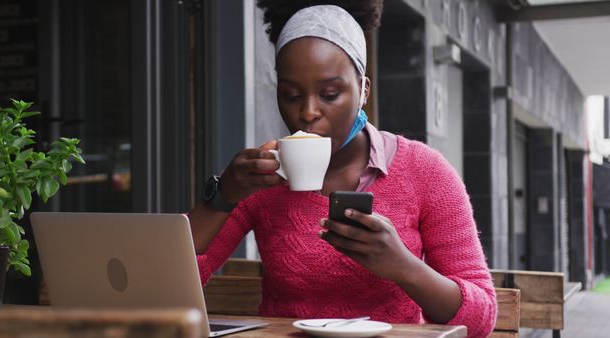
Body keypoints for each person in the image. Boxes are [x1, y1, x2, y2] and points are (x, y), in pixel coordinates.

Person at [188, 1, 496, 337]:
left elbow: (481, 320)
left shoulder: (425, 172)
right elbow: (167, 282)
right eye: (291, 95)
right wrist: (223, 197)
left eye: (330, 93)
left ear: (363, 90)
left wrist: (404, 267)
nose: (307, 112)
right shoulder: (259, 179)